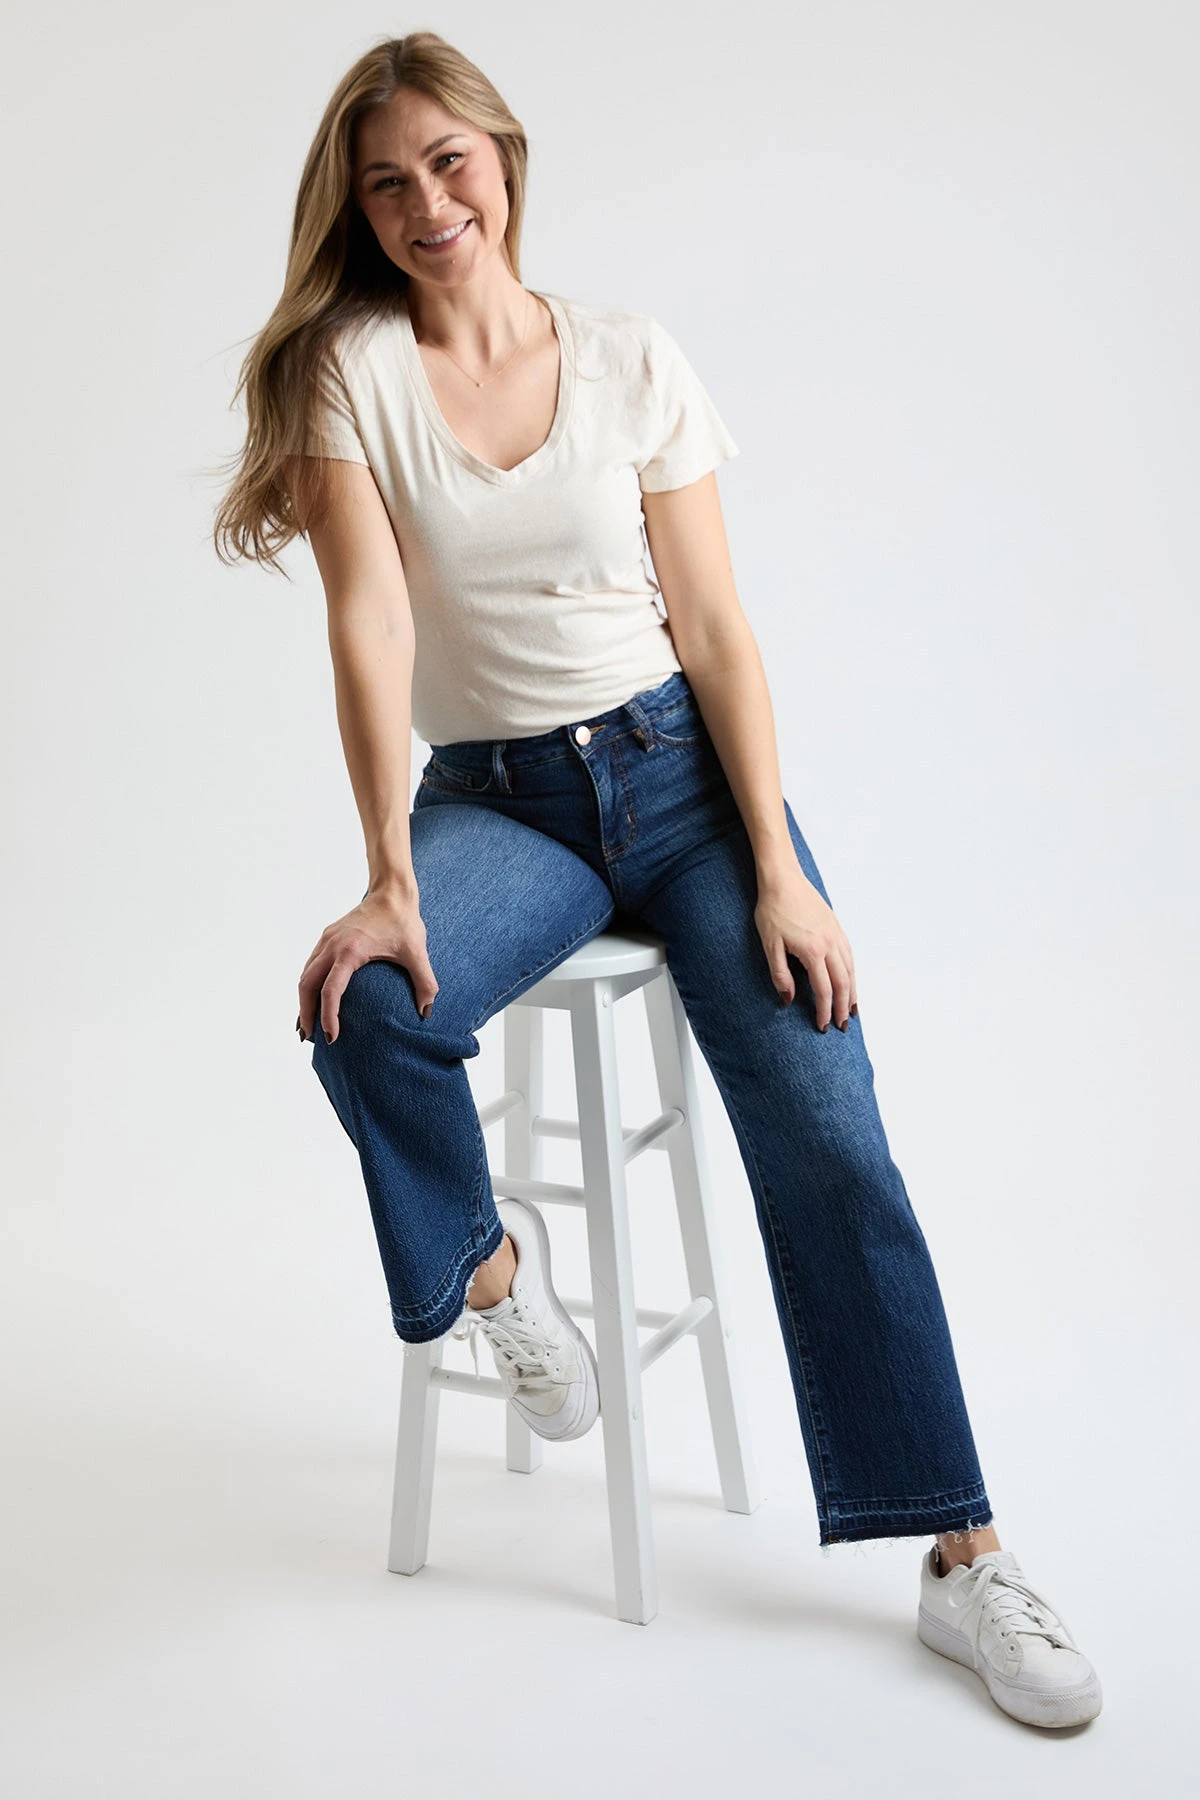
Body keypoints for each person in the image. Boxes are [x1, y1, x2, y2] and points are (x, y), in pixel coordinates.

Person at [212, 31, 1101, 1730]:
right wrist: (387, 875)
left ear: (503, 158)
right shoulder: (352, 375)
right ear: (359, 210)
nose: (425, 204)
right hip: (505, 803)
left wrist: (779, 866)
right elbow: (369, 626)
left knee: (830, 1127)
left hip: (685, 785)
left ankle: (964, 1558)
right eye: (386, 184)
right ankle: (493, 1281)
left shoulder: (630, 357)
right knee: (363, 1004)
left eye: (447, 163)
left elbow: (717, 631)